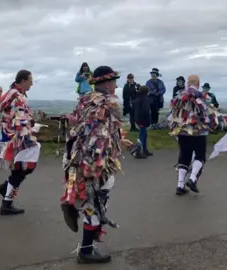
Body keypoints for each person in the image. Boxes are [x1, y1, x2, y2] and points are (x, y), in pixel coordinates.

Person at [60, 66, 133, 264]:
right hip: (96, 161)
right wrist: (98, 159)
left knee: (92, 199)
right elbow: (104, 132)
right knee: (97, 202)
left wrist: (120, 141)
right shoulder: (110, 103)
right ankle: (85, 251)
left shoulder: (85, 99)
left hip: (79, 155)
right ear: (108, 84)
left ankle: (77, 211)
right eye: (115, 82)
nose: (116, 86)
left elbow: (90, 128)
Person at [169, 75, 227, 195]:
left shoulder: (179, 96)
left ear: (188, 83)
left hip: (182, 131)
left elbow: (173, 113)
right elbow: (210, 113)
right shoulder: (201, 96)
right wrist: (225, 122)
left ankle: (180, 185)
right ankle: (192, 179)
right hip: (198, 132)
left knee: (184, 157)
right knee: (200, 156)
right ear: (198, 83)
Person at [0, 70, 40, 216]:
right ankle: (6, 201)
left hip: (12, 136)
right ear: (23, 81)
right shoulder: (16, 96)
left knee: (21, 168)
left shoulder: (13, 93)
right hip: (16, 137)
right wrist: (29, 130)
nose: (32, 84)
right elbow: (18, 120)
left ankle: (6, 192)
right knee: (23, 167)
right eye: (31, 81)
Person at [134, 85, 153, 157]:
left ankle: (144, 150)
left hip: (138, 118)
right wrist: (148, 120)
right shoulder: (145, 99)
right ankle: (139, 152)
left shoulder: (138, 98)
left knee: (144, 134)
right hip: (143, 119)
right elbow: (146, 111)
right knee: (142, 135)